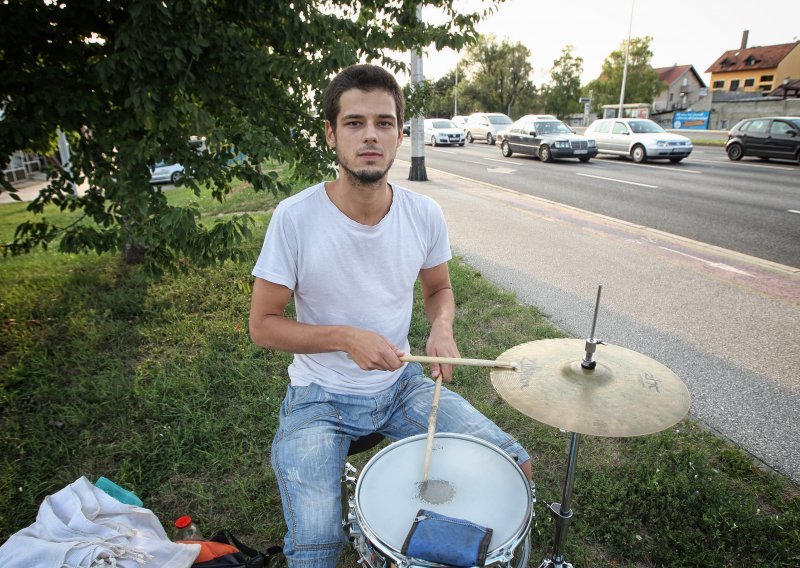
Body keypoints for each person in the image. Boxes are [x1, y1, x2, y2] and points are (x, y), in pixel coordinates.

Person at [249, 63, 531, 568]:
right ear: (331, 134)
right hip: (320, 398)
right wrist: (344, 337)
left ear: (401, 134)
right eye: (354, 123)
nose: (371, 135)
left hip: (401, 387)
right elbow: (263, 325)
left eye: (384, 122)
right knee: (315, 552)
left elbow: (439, 287)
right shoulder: (295, 218)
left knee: (514, 463)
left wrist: (442, 329)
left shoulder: (423, 214)